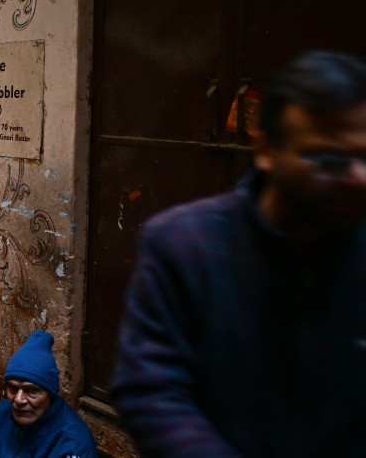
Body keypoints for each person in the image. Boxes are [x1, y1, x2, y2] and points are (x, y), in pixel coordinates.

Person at [111, 51, 366, 457]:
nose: (357, 179)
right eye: (327, 159)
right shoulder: (185, 246)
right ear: (266, 150)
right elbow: (150, 389)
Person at [0, 330, 97, 458]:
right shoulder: (5, 416)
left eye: (32, 391)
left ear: (50, 394)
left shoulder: (72, 445)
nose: (19, 400)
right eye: (13, 389)